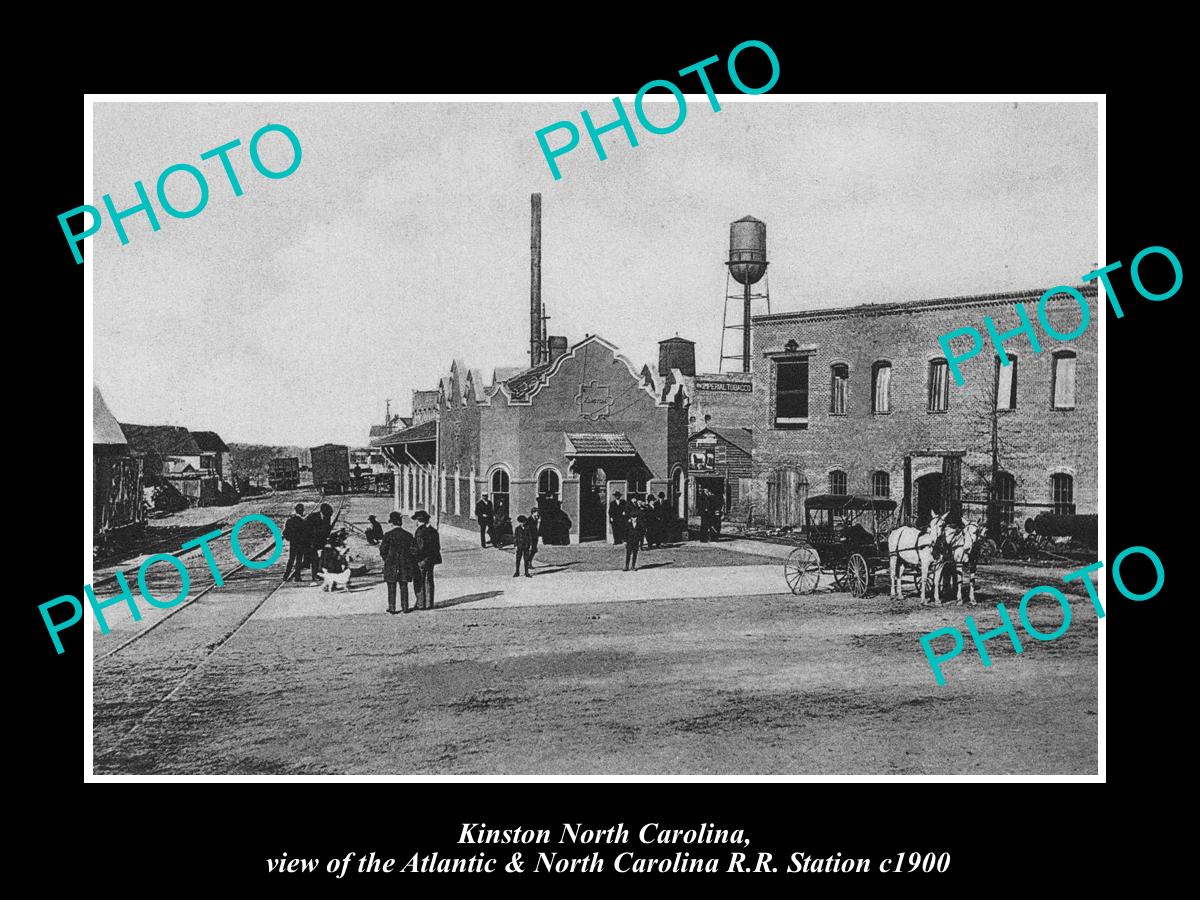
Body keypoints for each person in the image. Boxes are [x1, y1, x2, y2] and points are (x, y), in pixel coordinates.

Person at [379, 511, 417, 614]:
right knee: (403, 586)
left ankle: (392, 608)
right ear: (401, 523)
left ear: (392, 523)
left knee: (391, 586)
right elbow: (413, 551)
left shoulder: (388, 535)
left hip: (391, 564)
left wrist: (387, 559)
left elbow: (382, 551)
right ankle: (405, 607)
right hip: (405, 564)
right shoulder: (408, 535)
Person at [412, 510, 442, 609]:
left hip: (421, 560)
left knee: (419, 581)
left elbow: (420, 548)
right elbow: (437, 547)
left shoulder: (420, 531)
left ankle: (421, 604)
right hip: (431, 559)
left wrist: (415, 557)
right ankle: (429, 603)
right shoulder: (433, 530)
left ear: (418, 520)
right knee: (429, 580)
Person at [282, 503, 308, 581]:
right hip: (301, 543)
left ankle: (286, 576)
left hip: (293, 543)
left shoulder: (290, 521)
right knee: (299, 560)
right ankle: (297, 576)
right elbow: (306, 533)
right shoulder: (303, 522)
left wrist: (290, 539)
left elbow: (285, 533)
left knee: (291, 559)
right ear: (302, 511)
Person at [625, 505, 645, 571]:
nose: (634, 519)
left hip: (636, 541)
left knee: (635, 554)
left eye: (635, 517)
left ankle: (633, 566)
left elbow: (642, 532)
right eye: (633, 517)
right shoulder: (628, 525)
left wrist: (640, 540)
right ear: (631, 518)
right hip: (629, 541)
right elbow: (625, 533)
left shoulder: (639, 525)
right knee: (628, 554)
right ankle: (626, 566)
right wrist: (625, 541)